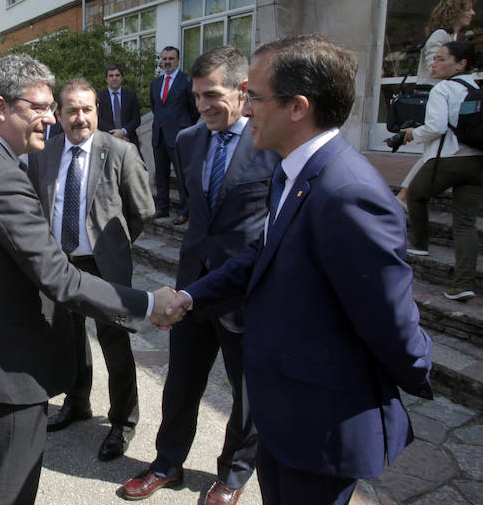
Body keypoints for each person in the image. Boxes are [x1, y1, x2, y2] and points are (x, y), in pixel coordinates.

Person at [177, 34, 433, 505]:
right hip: (284, 414)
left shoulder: (348, 193)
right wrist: (191, 297)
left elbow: (389, 317)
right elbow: (261, 254)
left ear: (297, 107)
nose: (246, 108)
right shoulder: (291, 171)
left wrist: (418, 370)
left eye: (254, 96)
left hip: (322, 424)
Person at [0, 53, 185, 504]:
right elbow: (61, 279)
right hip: (9, 368)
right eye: (38, 107)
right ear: (0, 106)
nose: (50, 118)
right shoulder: (2, 176)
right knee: (5, 492)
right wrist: (149, 304)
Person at [121, 46, 278, 504]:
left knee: (245, 393)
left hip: (245, 292)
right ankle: (167, 463)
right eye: (198, 96)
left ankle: (233, 474)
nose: (204, 104)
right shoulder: (189, 140)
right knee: (181, 383)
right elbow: (197, 214)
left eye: (213, 94)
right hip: (192, 286)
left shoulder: (269, 145)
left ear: (242, 90)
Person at [28, 78, 154, 461]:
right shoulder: (45, 154)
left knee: (115, 344)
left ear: (97, 109)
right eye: (71, 110)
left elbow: (142, 210)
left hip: (104, 267)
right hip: (62, 265)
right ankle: (77, 402)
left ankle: (122, 421)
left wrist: (114, 246)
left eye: (86, 109)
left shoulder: (119, 151)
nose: (79, 117)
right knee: (69, 339)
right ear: (58, 114)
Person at [404, 41, 482, 301]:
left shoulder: (443, 89)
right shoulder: (477, 88)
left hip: (449, 159)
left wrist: (413, 133)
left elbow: (435, 127)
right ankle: (463, 284)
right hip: (478, 162)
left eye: (441, 59)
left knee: (414, 194)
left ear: (461, 63)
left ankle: (419, 244)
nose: (433, 64)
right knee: (464, 223)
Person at [396, 0, 476, 207]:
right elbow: (435, 67)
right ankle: (403, 197)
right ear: (455, 11)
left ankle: (404, 197)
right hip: (436, 98)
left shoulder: (449, 37)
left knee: (433, 150)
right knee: (432, 150)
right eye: (467, 9)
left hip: (442, 99)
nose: (472, 13)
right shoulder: (440, 36)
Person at [150, 46, 199, 225]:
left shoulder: (186, 80)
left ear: (178, 60)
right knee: (161, 175)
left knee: (181, 176)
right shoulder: (155, 83)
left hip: (179, 136)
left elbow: (194, 110)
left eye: (171, 58)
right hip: (159, 135)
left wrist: (184, 128)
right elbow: (155, 108)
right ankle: (162, 207)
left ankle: (184, 211)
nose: (167, 62)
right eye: (164, 59)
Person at [97, 64, 141, 150]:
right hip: (107, 141)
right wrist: (115, 134)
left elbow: (136, 119)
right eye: (111, 76)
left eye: (117, 75)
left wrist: (123, 132)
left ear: (122, 78)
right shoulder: (99, 97)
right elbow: (98, 120)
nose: (114, 78)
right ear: (106, 79)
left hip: (129, 140)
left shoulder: (131, 95)